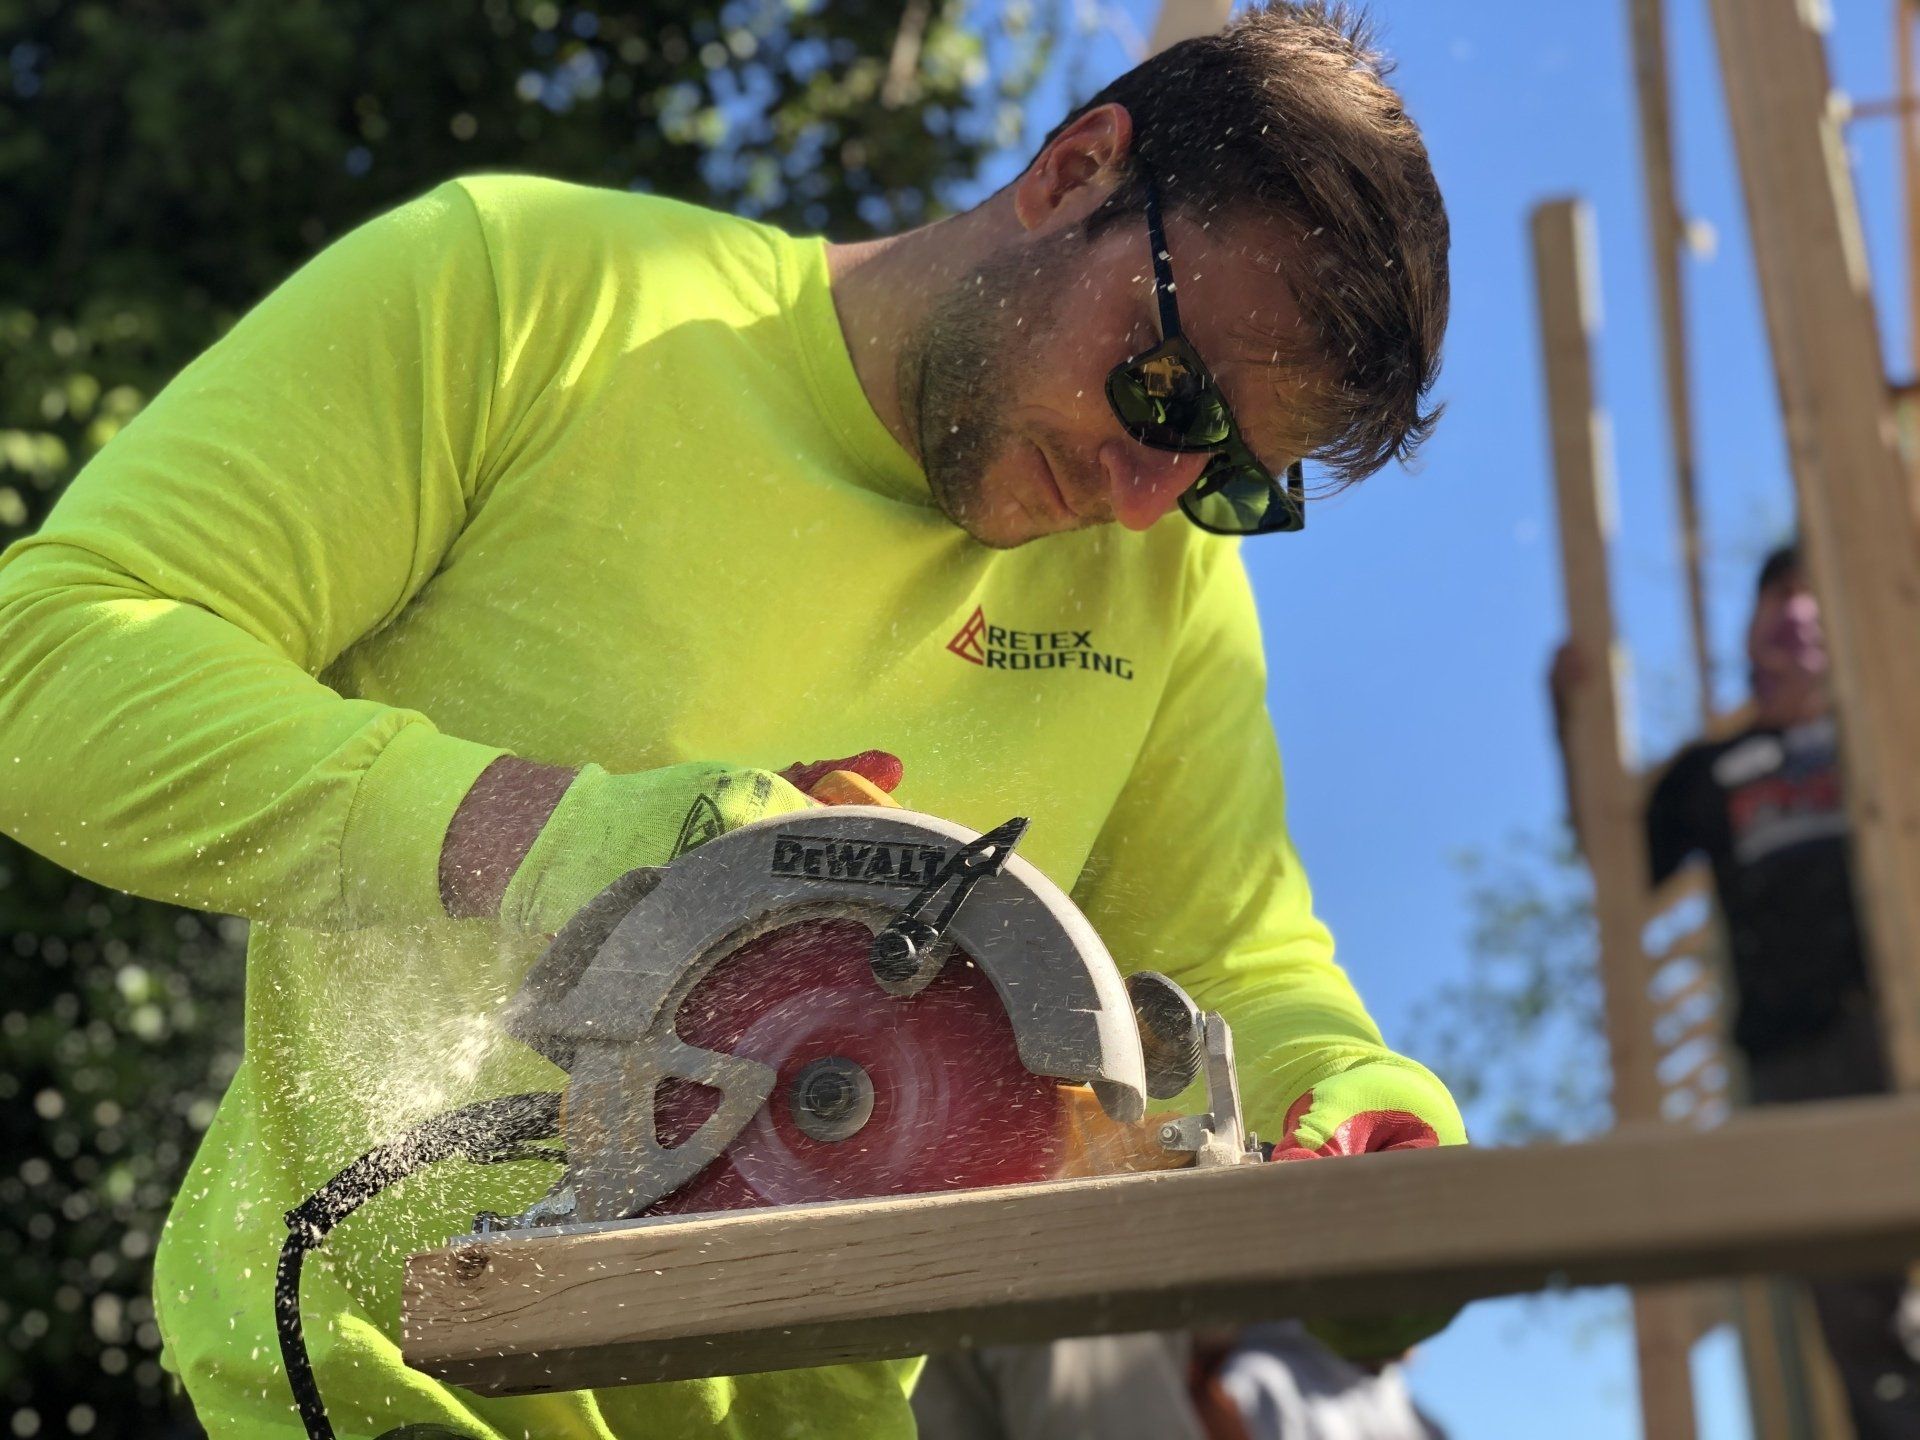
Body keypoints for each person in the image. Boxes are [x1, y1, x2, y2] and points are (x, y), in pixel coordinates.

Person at [0, 7, 1466, 1438]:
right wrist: (566, 842)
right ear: (1075, 171)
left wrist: (1356, 1109)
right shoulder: (536, 295)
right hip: (386, 1393)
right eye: (1163, 391)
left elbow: (1228, 962)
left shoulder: (1165, 586)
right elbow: (48, 657)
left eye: (1230, 478)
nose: (1149, 500)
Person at [1550, 541, 1920, 1438]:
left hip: (1903, 1020)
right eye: (1778, 596)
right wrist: (1571, 728)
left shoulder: (1888, 727)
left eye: (1811, 593)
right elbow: (1621, 866)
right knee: (1855, 1306)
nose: (1796, 613)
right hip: (1797, 1057)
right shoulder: (1718, 768)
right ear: (1751, 633)